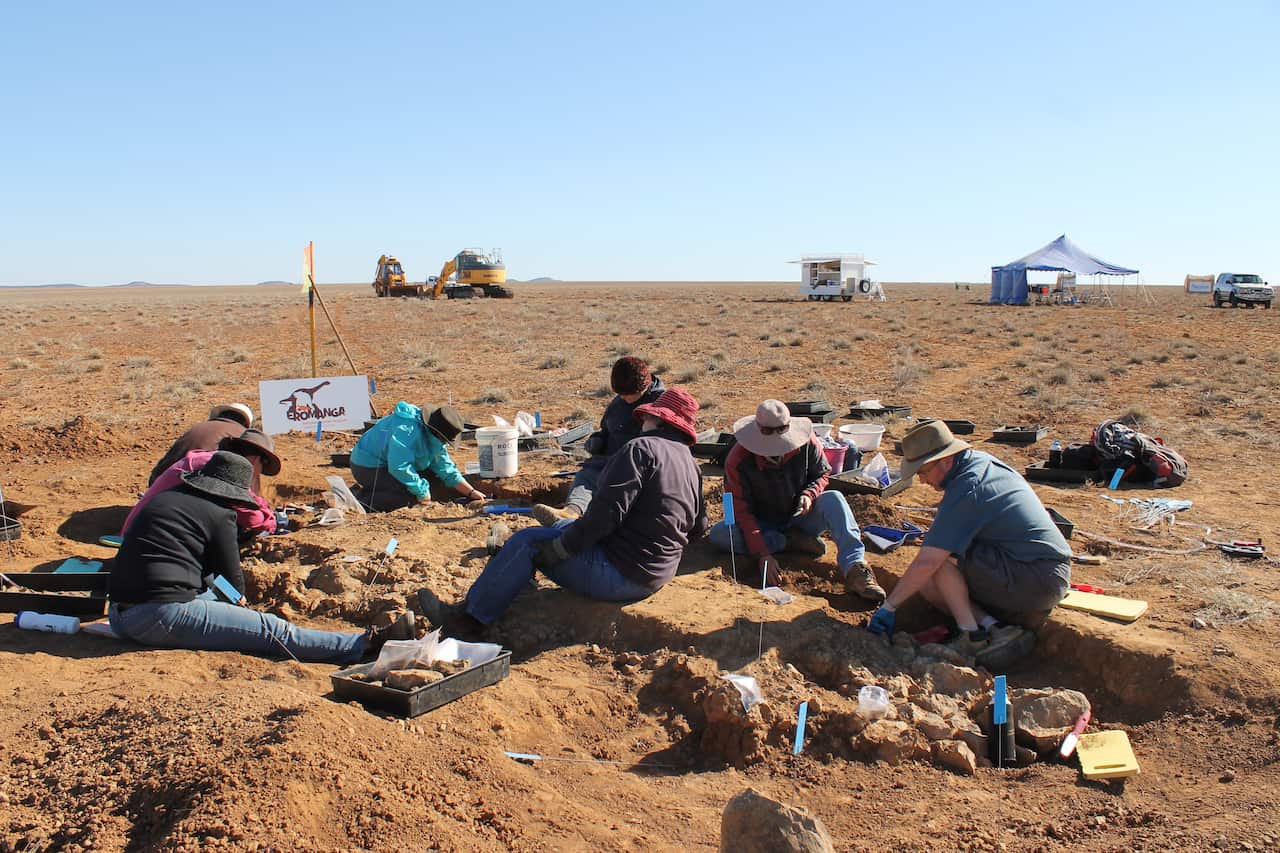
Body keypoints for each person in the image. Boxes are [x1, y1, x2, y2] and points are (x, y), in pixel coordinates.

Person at [421, 387, 707, 639]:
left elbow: (606, 516)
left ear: (658, 419)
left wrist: (562, 549)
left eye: (647, 416)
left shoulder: (640, 449)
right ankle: (525, 571)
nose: (642, 420)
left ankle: (466, 620)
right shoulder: (691, 465)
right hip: (658, 574)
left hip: (621, 575)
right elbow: (698, 527)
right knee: (561, 532)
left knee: (527, 542)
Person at [109, 451, 416, 662]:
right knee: (272, 630)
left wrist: (228, 599)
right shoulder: (219, 514)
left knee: (224, 607)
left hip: (119, 615)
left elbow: (201, 572)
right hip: (159, 616)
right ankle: (363, 645)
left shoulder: (165, 500)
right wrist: (240, 604)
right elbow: (231, 580)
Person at [866, 420, 1072, 669]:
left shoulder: (968, 486)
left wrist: (889, 607)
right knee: (930, 587)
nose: (922, 480)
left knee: (938, 560)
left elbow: (929, 560)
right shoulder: (977, 463)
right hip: (1036, 569)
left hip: (1036, 577)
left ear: (945, 461)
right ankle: (995, 628)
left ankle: (971, 637)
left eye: (923, 471)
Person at [712, 400, 883, 601]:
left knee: (834, 499)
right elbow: (738, 509)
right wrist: (763, 554)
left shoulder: (808, 443)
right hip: (762, 524)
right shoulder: (737, 459)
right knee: (721, 534)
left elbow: (823, 474)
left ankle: (855, 567)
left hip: (800, 516)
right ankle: (790, 541)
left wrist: (809, 495)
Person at [533, 356, 665, 526]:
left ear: (644, 386)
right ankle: (570, 512)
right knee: (587, 476)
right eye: (621, 395)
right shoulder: (619, 402)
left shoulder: (662, 405)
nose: (624, 398)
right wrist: (598, 441)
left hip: (641, 469)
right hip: (610, 462)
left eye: (628, 395)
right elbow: (606, 430)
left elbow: (669, 445)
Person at [124, 429, 282, 539]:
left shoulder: (213, 461)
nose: (257, 476)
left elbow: (251, 501)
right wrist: (271, 520)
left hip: (142, 534)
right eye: (261, 469)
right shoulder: (220, 470)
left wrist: (264, 510)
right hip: (150, 540)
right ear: (255, 460)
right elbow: (253, 519)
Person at [348, 401, 486, 511]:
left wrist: (471, 492)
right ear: (436, 433)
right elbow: (399, 466)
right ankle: (362, 500)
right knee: (408, 498)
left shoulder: (435, 438)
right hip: (368, 466)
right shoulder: (406, 431)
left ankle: (377, 490)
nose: (444, 444)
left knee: (435, 482)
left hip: (391, 463)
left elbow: (445, 467)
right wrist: (421, 492)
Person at [149, 403, 254, 485]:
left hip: (160, 484)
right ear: (245, 423)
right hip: (198, 490)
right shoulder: (243, 435)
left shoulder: (197, 428)